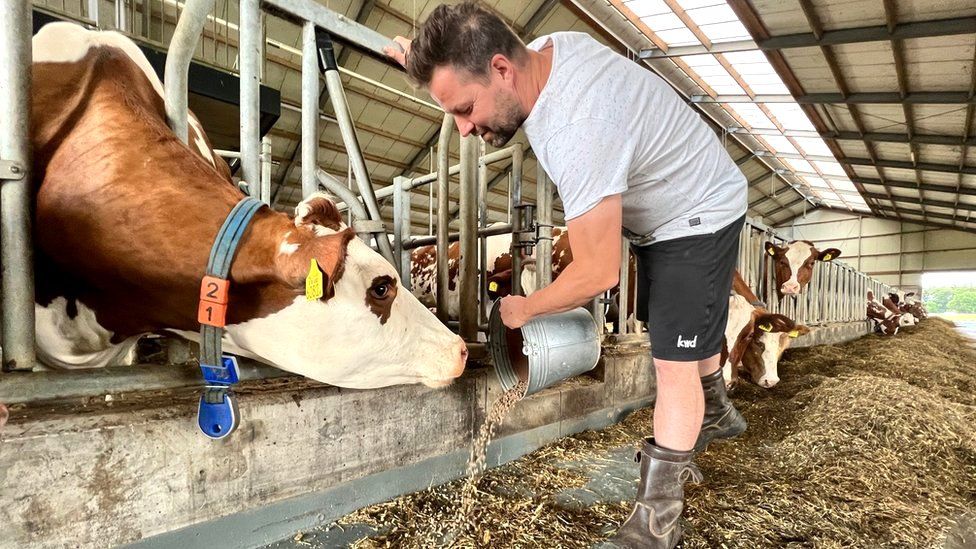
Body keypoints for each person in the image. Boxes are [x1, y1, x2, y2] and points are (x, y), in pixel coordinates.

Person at [385, 2, 747, 547]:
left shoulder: (579, 128)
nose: (462, 129)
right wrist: (418, 57)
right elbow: (475, 48)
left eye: (464, 108)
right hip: (663, 208)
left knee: (672, 364)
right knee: (680, 323)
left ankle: (656, 525)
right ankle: (715, 410)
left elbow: (599, 271)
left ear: (502, 70)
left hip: (697, 212)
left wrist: (526, 307)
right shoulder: (546, 52)